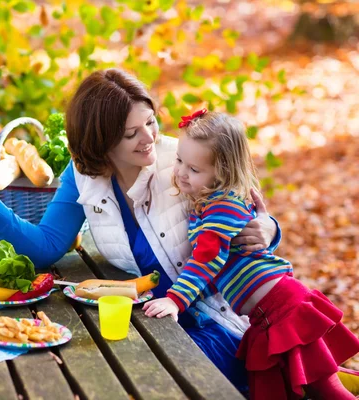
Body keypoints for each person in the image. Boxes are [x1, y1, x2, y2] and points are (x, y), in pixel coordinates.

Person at [0, 69, 280, 394]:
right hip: (151, 319)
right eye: (132, 133)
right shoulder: (83, 175)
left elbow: (240, 208)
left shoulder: (185, 161)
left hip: (213, 322)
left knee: (143, 380)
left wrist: (269, 228)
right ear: (101, 142)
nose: (149, 137)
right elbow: (47, 246)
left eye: (150, 121)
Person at [143, 109, 359, 399]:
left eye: (194, 169)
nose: (181, 172)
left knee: (327, 390)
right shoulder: (206, 206)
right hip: (262, 317)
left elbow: (208, 259)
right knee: (285, 387)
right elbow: (217, 272)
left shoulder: (223, 206)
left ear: (223, 172)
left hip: (283, 309)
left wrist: (175, 300)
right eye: (180, 160)